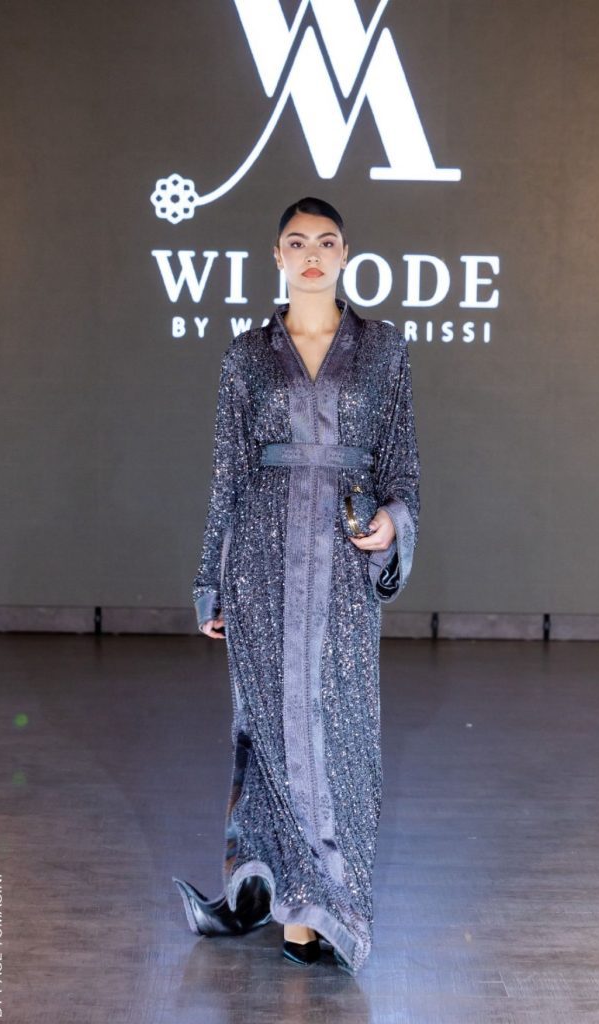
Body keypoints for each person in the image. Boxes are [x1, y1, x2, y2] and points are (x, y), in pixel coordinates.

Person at [173, 196, 420, 975]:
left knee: (340, 736)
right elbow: (228, 477)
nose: (312, 254)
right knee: (273, 735)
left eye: (326, 241)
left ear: (345, 254)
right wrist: (210, 581)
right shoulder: (247, 355)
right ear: (277, 256)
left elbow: (403, 468)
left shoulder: (384, 350)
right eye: (297, 242)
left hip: (342, 568)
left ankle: (324, 901)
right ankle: (296, 911)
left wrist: (392, 523)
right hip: (260, 565)